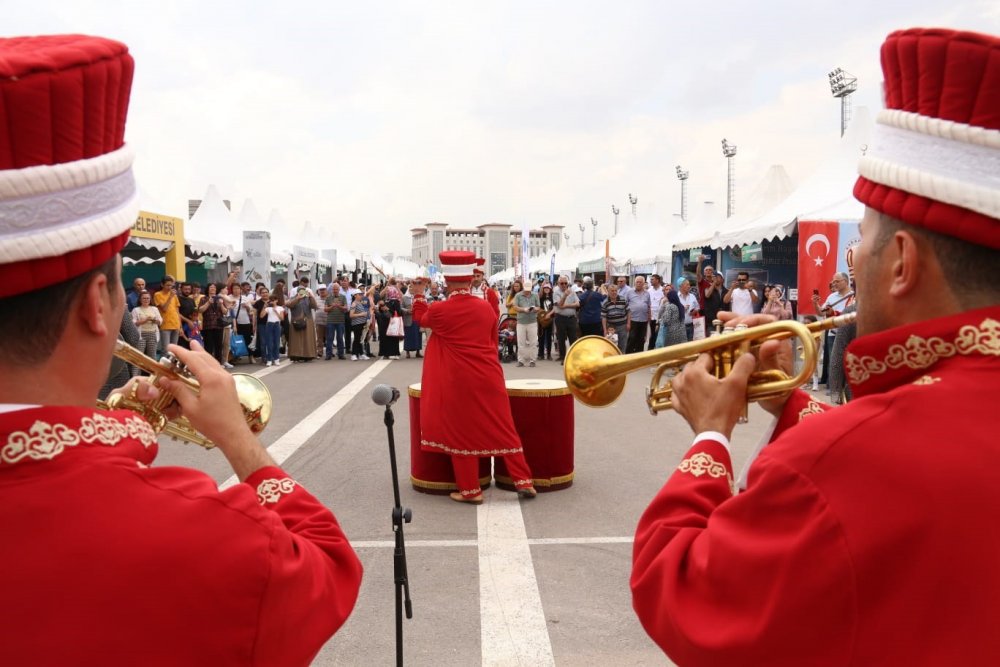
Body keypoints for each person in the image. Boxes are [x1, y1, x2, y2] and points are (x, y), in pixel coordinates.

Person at [630, 27, 1000, 665]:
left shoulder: (836, 459)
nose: (853, 263)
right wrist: (789, 402)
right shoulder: (871, 441)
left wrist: (711, 436)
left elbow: (682, 586)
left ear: (903, 262)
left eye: (866, 242)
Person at [0, 34, 361, 666]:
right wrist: (238, 441)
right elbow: (328, 564)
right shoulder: (210, 541)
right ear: (96, 306)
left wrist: (112, 419)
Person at [419, 251, 537, 503]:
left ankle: (471, 490)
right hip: (489, 373)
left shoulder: (440, 309)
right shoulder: (485, 307)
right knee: (504, 427)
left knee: (461, 430)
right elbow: (492, 340)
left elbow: (421, 319)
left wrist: (418, 294)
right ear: (470, 279)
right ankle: (523, 480)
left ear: (448, 282)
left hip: (458, 378)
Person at [286, 280, 318, 362]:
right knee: (296, 339)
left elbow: (315, 306)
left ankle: (308, 355)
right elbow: (289, 305)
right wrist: (297, 298)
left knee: (308, 339)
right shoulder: (294, 298)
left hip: (308, 320)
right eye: (300, 291)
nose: (302, 292)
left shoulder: (308, 299)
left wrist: (311, 297)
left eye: (304, 290)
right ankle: (296, 355)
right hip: (297, 320)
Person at [198, 282, 228, 365]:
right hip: (208, 325)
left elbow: (225, 312)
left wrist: (221, 304)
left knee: (219, 346)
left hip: (219, 325)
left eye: (214, 288)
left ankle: (219, 363)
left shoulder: (220, 298)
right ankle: (208, 364)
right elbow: (200, 310)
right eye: (211, 287)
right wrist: (208, 303)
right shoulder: (203, 299)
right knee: (208, 346)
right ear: (207, 289)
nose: (213, 289)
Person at [552, 274, 580, 363]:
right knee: (561, 338)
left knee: (573, 338)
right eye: (562, 283)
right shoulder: (556, 293)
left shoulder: (572, 291)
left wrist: (566, 305)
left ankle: (573, 356)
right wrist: (564, 296)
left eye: (565, 283)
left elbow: (578, 304)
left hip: (571, 318)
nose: (564, 285)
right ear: (558, 284)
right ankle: (563, 356)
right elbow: (559, 305)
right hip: (561, 318)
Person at [512, 280, 540, 367]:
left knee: (533, 342)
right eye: (526, 289)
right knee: (521, 342)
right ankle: (521, 360)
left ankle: (533, 360)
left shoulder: (535, 295)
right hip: (521, 321)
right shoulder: (518, 295)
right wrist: (524, 309)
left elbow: (538, 306)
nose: (527, 291)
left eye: (529, 289)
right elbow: (515, 307)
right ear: (523, 287)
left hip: (532, 321)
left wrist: (535, 309)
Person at [153, 275, 181, 352]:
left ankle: (172, 364)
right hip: (165, 325)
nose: (169, 287)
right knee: (166, 350)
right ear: (162, 285)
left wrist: (180, 326)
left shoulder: (174, 295)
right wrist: (170, 297)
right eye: (167, 285)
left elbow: (177, 311)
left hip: (176, 324)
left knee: (174, 351)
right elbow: (164, 309)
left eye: (171, 285)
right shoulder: (158, 294)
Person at [131, 291, 162, 361]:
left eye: (148, 298)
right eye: (144, 298)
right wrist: (144, 321)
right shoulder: (136, 310)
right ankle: (136, 372)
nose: (146, 300)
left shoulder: (154, 309)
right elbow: (133, 323)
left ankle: (152, 372)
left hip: (152, 334)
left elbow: (160, 321)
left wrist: (155, 320)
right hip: (141, 335)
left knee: (152, 356)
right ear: (140, 299)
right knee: (139, 355)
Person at [625, 275, 652, 353]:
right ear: (634, 283)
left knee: (641, 339)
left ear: (643, 283)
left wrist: (649, 317)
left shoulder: (647, 293)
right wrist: (627, 321)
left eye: (640, 282)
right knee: (632, 338)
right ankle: (628, 356)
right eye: (637, 282)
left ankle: (639, 356)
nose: (638, 284)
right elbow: (625, 306)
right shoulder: (629, 292)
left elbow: (649, 306)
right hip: (633, 319)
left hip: (643, 320)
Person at [601, 283, 629, 353]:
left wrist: (628, 323)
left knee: (623, 344)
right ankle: (614, 360)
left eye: (615, 290)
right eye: (612, 291)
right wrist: (605, 330)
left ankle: (622, 360)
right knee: (612, 345)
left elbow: (628, 312)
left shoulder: (623, 299)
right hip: (611, 327)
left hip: (623, 326)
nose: (614, 292)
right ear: (608, 291)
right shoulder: (605, 302)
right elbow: (603, 317)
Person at [324, 283, 348, 360]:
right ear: (332, 290)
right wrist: (332, 306)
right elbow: (325, 309)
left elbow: (346, 308)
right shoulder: (328, 298)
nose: (335, 290)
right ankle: (328, 354)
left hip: (340, 320)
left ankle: (341, 354)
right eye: (334, 289)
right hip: (330, 321)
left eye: (336, 289)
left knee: (340, 338)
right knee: (329, 338)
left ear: (339, 289)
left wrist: (339, 306)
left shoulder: (343, 297)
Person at [348, 291, 371, 361]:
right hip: (356, 324)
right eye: (359, 294)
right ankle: (354, 354)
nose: (361, 296)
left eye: (361, 294)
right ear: (355, 295)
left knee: (361, 339)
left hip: (362, 323)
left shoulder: (359, 303)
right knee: (357, 339)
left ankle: (361, 353)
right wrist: (361, 314)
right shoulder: (354, 304)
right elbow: (351, 315)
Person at [536, 282, 556, 360]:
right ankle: (540, 354)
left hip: (550, 319)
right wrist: (543, 314)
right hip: (541, 319)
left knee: (549, 337)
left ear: (550, 289)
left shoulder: (552, 297)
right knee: (541, 336)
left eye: (548, 288)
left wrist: (549, 314)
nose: (546, 289)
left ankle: (548, 354)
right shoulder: (540, 297)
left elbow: (555, 307)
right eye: (545, 288)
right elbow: (537, 307)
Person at [646, 275, 665, 349]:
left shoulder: (662, 290)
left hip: (660, 316)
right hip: (652, 316)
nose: (651, 281)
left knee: (658, 334)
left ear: (657, 280)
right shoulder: (649, 290)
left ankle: (654, 348)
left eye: (652, 279)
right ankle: (651, 348)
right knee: (653, 333)